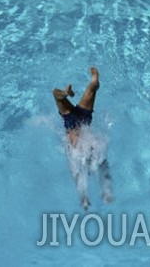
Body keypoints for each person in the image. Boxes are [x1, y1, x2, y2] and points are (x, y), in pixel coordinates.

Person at [52, 67, 113, 210]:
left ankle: (89, 83)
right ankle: (67, 93)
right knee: (56, 94)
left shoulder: (83, 154)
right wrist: (86, 197)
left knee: (91, 90)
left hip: (82, 119)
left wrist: (88, 197)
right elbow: (79, 177)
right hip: (73, 121)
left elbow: (97, 172)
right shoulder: (77, 155)